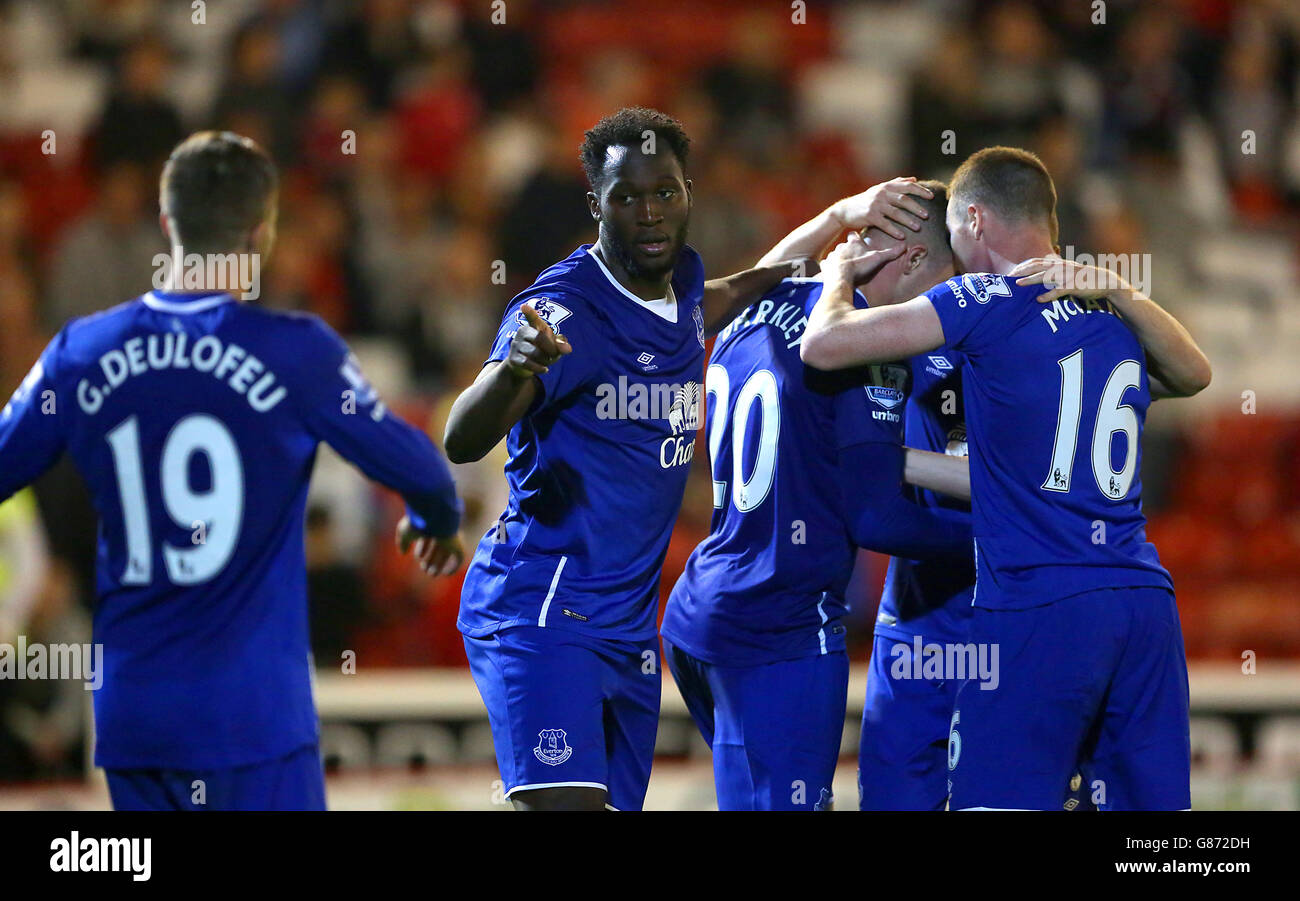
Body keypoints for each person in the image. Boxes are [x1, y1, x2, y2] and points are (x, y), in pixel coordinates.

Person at [0, 131, 464, 810]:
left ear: (167, 224)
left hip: (137, 718)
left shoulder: (80, 351)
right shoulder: (298, 354)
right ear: (263, 231)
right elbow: (422, 465)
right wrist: (437, 522)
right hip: (252, 716)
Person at [800, 146, 1212, 810]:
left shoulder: (984, 300)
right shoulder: (1108, 317)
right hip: (1139, 594)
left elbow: (822, 344)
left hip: (1035, 596)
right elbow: (1195, 373)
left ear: (973, 219)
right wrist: (1124, 288)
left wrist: (837, 276)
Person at [444, 107, 798, 811]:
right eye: (626, 197)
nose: (649, 212)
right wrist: (513, 369)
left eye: (664, 191)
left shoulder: (681, 290)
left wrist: (809, 260)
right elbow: (462, 435)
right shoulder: (564, 312)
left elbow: (716, 299)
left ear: (688, 192)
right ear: (595, 205)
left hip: (630, 629)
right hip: (542, 607)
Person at [660, 178, 975, 810]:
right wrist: (1004, 532)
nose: (950, 300)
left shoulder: (757, 304)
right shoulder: (865, 344)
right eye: (950, 277)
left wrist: (836, 214)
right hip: (783, 629)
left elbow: (769, 269)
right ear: (913, 261)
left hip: (699, 614)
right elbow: (878, 518)